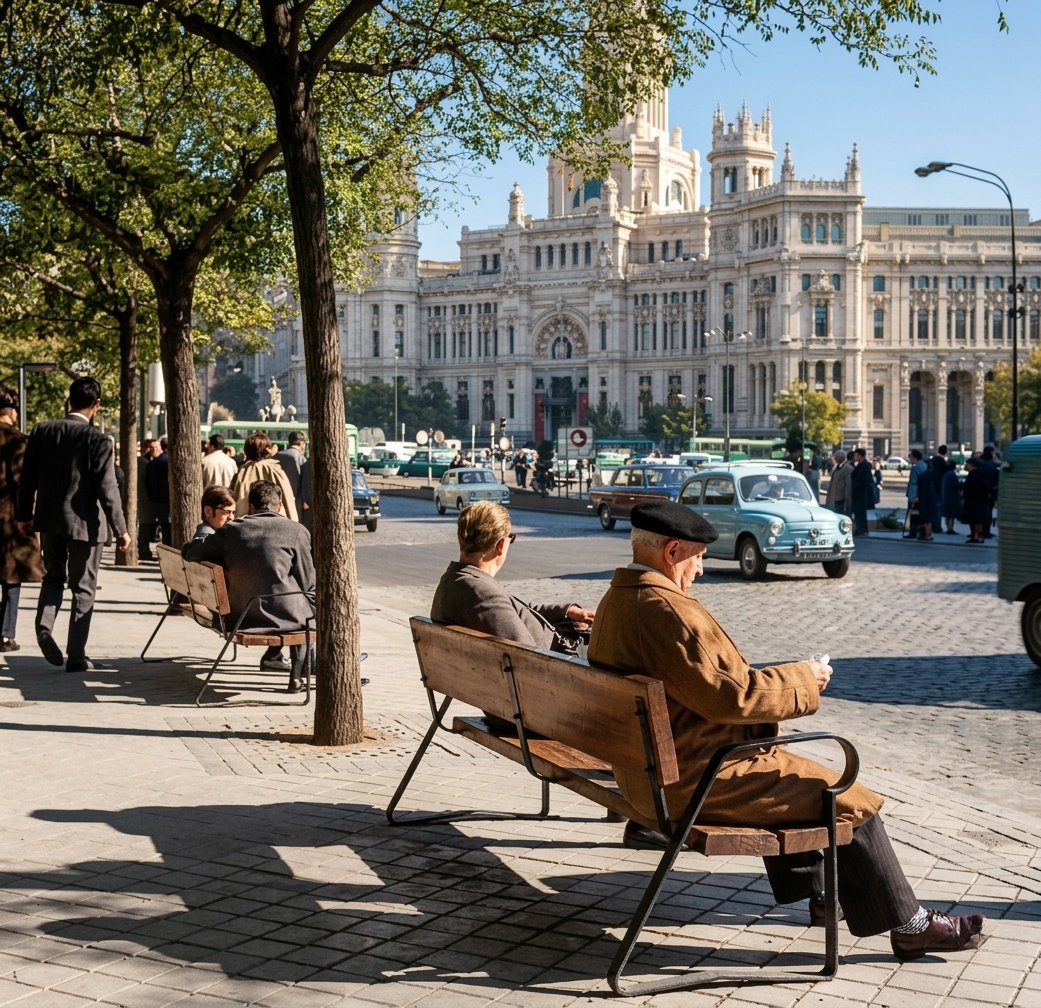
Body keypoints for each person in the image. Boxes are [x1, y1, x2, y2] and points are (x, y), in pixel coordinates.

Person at [588, 499, 985, 960]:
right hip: (695, 780)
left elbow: (714, 685)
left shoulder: (619, 598)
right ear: (672, 551)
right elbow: (733, 697)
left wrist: (778, 678)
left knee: (796, 773)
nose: (699, 571)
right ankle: (910, 924)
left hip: (651, 773)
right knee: (848, 796)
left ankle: (824, 897)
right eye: (698, 558)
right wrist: (805, 677)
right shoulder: (665, 610)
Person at [15, 376, 131, 673]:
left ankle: (44, 625)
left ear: (69, 399)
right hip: (87, 525)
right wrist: (122, 530)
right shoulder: (98, 440)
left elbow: (27, 479)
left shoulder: (43, 431)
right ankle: (77, 655)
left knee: (53, 578)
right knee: (83, 588)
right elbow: (108, 488)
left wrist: (24, 517)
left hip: (51, 521)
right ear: (97, 405)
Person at [184, 480, 314, 693]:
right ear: (279, 505)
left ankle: (285, 664)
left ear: (251, 507)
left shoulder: (232, 530)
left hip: (239, 615)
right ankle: (298, 676)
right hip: (285, 617)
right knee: (308, 609)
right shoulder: (297, 530)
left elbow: (191, 552)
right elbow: (308, 581)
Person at [431, 501, 594, 652]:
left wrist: (566, 611)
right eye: (511, 538)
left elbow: (515, 609)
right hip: (553, 672)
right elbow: (528, 654)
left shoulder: (456, 580)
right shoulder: (483, 595)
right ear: (500, 545)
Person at [0, 392, 44, 652]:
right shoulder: (18, 441)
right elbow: (24, 484)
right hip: (9, 519)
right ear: (13, 412)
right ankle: (5, 634)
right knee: (11, 577)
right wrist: (26, 518)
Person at [230, 432, 298, 521]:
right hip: (276, 523)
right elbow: (288, 500)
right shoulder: (275, 470)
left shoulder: (242, 471)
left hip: (247, 525)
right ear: (267, 449)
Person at [145, 436, 172, 546]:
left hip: (162, 500)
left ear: (161, 448)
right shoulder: (154, 462)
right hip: (159, 499)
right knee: (165, 526)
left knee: (165, 526)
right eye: (151, 447)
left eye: (156, 447)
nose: (153, 450)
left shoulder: (160, 462)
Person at [905, 449, 933, 541]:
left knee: (914, 514)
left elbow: (915, 483)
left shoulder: (916, 467)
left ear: (915, 458)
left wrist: (914, 496)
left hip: (915, 494)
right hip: (921, 494)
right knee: (920, 514)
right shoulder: (924, 465)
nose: (910, 460)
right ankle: (921, 532)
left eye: (911, 458)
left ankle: (914, 532)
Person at [849, 447, 873, 536]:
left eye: (856, 455)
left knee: (860, 512)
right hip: (857, 493)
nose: (855, 457)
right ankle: (861, 528)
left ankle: (862, 529)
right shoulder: (859, 465)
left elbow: (866, 480)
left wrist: (857, 486)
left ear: (860, 456)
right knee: (858, 512)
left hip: (861, 494)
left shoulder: (865, 465)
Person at [825, 450, 851, 515]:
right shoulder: (837, 466)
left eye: (836, 457)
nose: (834, 459)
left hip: (840, 499)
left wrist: (846, 500)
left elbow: (848, 485)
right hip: (835, 498)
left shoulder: (847, 468)